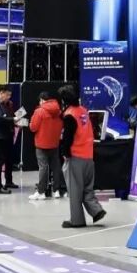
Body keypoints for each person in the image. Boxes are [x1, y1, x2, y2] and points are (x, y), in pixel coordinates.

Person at [59, 85, 106, 228]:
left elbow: (67, 138)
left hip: (75, 156)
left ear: (64, 100)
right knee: (87, 188)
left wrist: (65, 153)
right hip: (88, 155)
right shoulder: (83, 111)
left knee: (74, 190)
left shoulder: (69, 115)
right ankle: (96, 210)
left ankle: (77, 220)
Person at [29, 90, 65, 200]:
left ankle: (41, 191)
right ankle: (56, 190)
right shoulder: (59, 111)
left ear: (41, 100)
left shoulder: (39, 111)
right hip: (55, 143)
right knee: (56, 166)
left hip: (41, 143)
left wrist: (30, 124)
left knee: (43, 167)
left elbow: (33, 127)